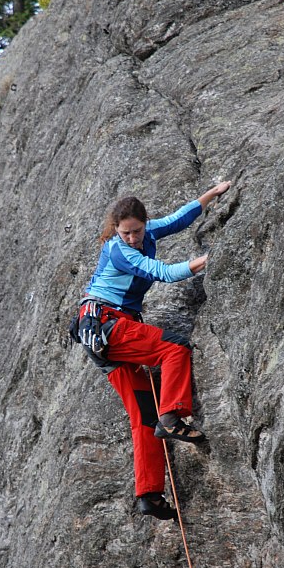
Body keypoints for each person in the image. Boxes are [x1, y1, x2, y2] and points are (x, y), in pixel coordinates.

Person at [77, 181, 231, 520]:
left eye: (136, 231)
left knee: (144, 418)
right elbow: (158, 272)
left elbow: (178, 219)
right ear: (116, 230)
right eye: (125, 233)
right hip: (108, 324)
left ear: (144, 224)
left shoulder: (147, 233)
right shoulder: (119, 250)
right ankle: (173, 414)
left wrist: (212, 195)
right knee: (174, 348)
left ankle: (150, 495)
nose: (132, 238)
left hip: (101, 337)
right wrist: (206, 261)